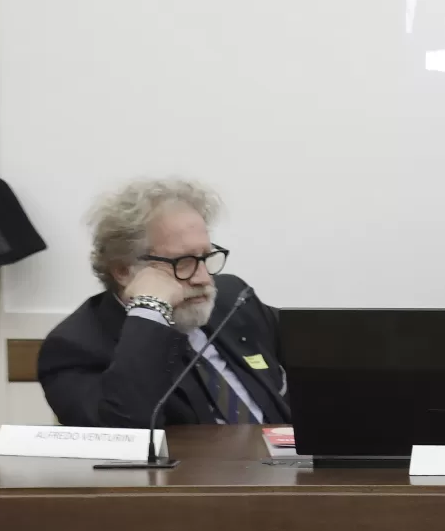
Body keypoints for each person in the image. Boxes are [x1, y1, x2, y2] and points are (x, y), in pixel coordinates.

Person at [38, 178, 290, 428]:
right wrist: (150, 312)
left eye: (206, 257)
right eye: (182, 262)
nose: (204, 278)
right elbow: (125, 432)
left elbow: (308, 348)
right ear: (123, 271)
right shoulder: (74, 347)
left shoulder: (233, 298)